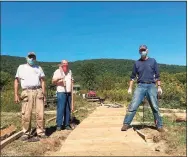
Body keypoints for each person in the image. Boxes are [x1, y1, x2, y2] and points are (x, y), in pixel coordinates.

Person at [121, 45, 164, 132]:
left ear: (147, 50)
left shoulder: (153, 61)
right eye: (141, 50)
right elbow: (132, 77)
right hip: (140, 86)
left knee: (155, 106)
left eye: (144, 50)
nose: (142, 52)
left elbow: (157, 75)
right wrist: (130, 88)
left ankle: (159, 125)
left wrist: (159, 87)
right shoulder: (137, 63)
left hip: (151, 86)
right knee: (133, 105)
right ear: (139, 52)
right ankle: (126, 124)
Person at [14, 52, 47, 141]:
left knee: (40, 113)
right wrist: (16, 94)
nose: (31, 59)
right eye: (30, 57)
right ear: (26, 58)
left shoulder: (38, 68)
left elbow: (43, 81)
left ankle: (40, 132)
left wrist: (44, 94)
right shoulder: (21, 67)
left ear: (35, 59)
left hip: (38, 90)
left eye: (33, 57)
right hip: (26, 91)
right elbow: (16, 81)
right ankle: (26, 133)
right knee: (26, 114)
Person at [52, 60, 74, 131]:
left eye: (66, 64)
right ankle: (59, 125)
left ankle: (66, 124)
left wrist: (71, 91)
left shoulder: (69, 71)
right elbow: (53, 81)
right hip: (61, 92)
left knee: (68, 109)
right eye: (64, 64)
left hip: (68, 92)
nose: (65, 65)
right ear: (61, 64)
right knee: (61, 108)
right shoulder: (57, 71)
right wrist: (59, 80)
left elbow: (72, 82)